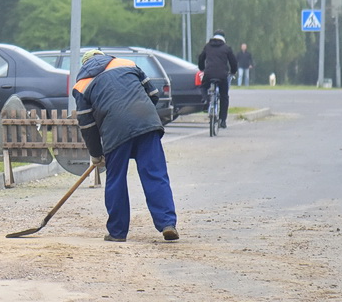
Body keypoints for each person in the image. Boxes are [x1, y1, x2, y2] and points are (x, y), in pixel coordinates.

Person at [72, 49, 178, 243]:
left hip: (115, 131)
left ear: (84, 65)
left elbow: (87, 126)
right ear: (104, 56)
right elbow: (153, 95)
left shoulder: (81, 85)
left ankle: (117, 232)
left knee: (116, 180)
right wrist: (140, 115)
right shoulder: (127, 64)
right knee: (155, 173)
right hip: (147, 123)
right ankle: (167, 223)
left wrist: (96, 153)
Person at [198, 30, 238, 128]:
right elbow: (233, 62)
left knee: (203, 87)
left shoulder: (207, 46)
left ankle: (206, 100)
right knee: (224, 96)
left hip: (209, 74)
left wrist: (202, 68)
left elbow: (201, 58)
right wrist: (233, 71)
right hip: (222, 75)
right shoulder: (226, 48)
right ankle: (222, 120)